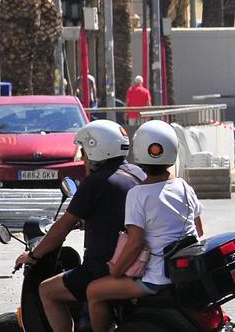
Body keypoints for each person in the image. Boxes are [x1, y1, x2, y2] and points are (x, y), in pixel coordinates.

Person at [13, 120, 145, 332]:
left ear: (96, 149)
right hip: (136, 264)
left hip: (103, 267)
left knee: (46, 290)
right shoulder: (138, 174)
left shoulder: (96, 182)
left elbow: (61, 228)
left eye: (84, 151)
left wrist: (33, 256)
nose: (82, 158)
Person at [87, 120, 203, 332]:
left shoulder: (138, 194)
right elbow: (199, 230)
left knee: (94, 291)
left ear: (138, 152)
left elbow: (135, 242)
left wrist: (116, 271)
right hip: (184, 273)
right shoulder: (184, 187)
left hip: (157, 278)